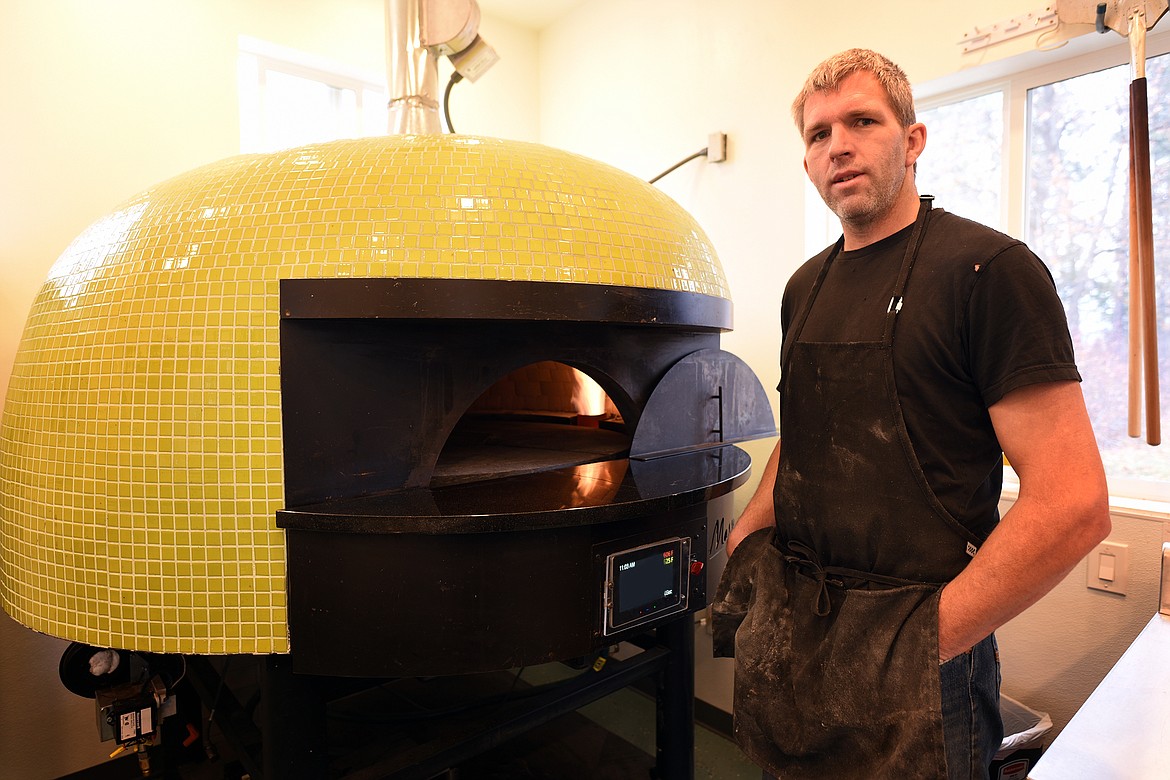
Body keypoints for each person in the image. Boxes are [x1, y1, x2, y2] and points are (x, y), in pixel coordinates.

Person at [713, 48, 1111, 780]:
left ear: (913, 139)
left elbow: (1074, 502)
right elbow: (803, 438)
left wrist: (928, 642)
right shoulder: (806, 286)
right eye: (818, 133)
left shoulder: (988, 272)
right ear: (806, 163)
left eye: (863, 120)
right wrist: (746, 539)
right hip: (799, 631)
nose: (839, 144)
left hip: (920, 656)